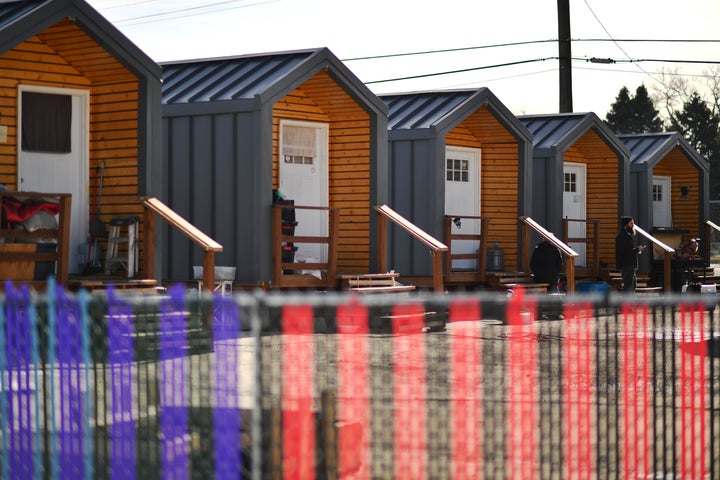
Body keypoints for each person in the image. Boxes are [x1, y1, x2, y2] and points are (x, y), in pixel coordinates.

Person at [615, 216, 646, 292]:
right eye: (631, 223)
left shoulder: (626, 235)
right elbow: (624, 252)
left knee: (632, 285)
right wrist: (637, 249)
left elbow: (627, 250)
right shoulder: (623, 236)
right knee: (628, 286)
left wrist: (637, 250)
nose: (633, 225)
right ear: (626, 225)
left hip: (629, 264)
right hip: (627, 264)